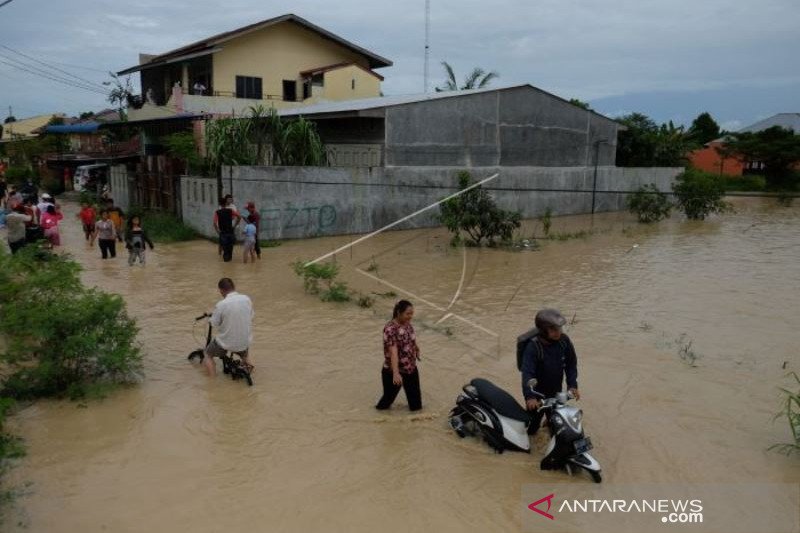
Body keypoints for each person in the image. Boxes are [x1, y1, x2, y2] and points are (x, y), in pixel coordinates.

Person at [520, 308, 580, 435]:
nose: (558, 332)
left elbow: (571, 364)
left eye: (559, 328)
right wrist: (530, 397)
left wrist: (572, 385)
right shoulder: (533, 347)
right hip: (537, 394)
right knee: (532, 429)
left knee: (556, 425)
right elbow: (527, 372)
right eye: (553, 329)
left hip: (555, 391)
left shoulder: (564, 341)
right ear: (543, 330)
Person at [376, 300, 423, 411]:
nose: (410, 316)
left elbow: (410, 337)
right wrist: (396, 373)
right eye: (408, 313)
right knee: (386, 403)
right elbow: (393, 352)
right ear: (398, 312)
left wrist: (416, 348)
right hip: (394, 372)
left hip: (410, 368)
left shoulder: (406, 323)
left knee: (416, 405)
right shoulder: (390, 329)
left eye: (412, 313)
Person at [203, 278, 254, 377]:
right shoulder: (246, 299)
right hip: (244, 341)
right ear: (234, 287)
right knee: (245, 355)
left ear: (221, 290)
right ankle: (250, 374)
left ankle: (212, 382)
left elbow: (214, 323)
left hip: (226, 343)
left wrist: (210, 319)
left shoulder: (222, 304)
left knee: (207, 355)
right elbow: (251, 316)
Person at [213, 197, 240, 262]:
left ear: (219, 204)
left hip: (223, 233)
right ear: (225, 203)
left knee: (225, 252)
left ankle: (226, 269)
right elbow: (239, 217)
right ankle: (230, 268)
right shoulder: (230, 211)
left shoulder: (217, 212)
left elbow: (214, 223)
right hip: (230, 232)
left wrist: (218, 231)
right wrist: (235, 225)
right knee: (230, 251)